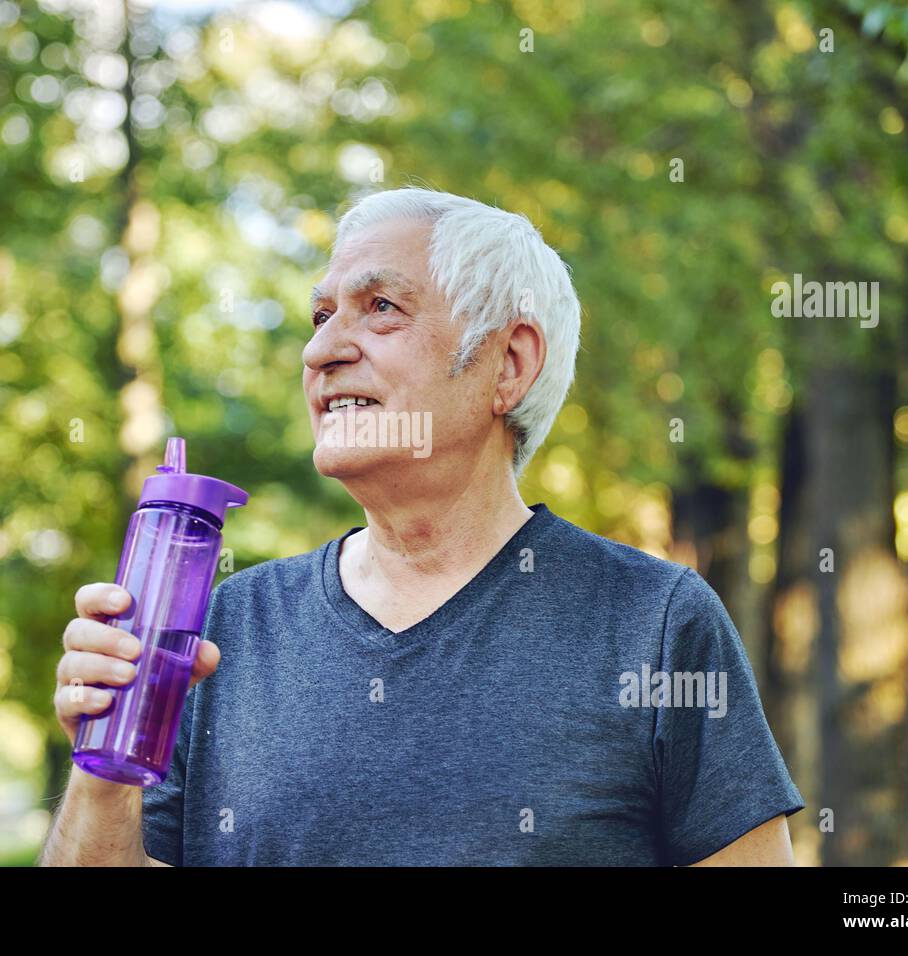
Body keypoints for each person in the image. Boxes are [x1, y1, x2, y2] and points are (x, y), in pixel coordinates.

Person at [39, 187, 803, 866]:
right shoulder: (215, 633)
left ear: (508, 365)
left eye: (381, 308)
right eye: (320, 315)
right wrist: (101, 773)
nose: (320, 350)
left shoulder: (655, 622)